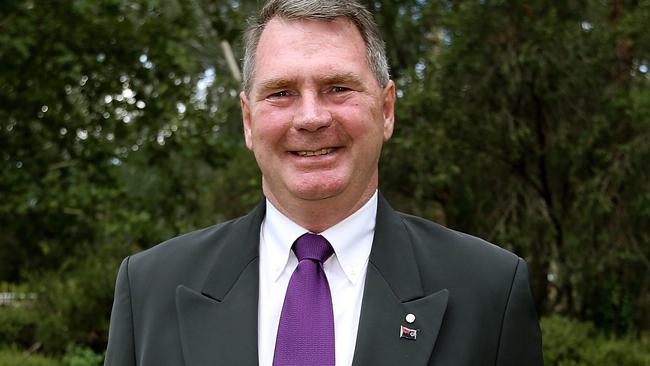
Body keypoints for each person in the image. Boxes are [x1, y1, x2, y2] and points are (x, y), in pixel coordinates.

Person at [104, 0, 544, 365]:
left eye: (338, 88)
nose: (311, 117)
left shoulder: (489, 291)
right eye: (281, 93)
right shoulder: (149, 289)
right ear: (248, 120)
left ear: (387, 109)